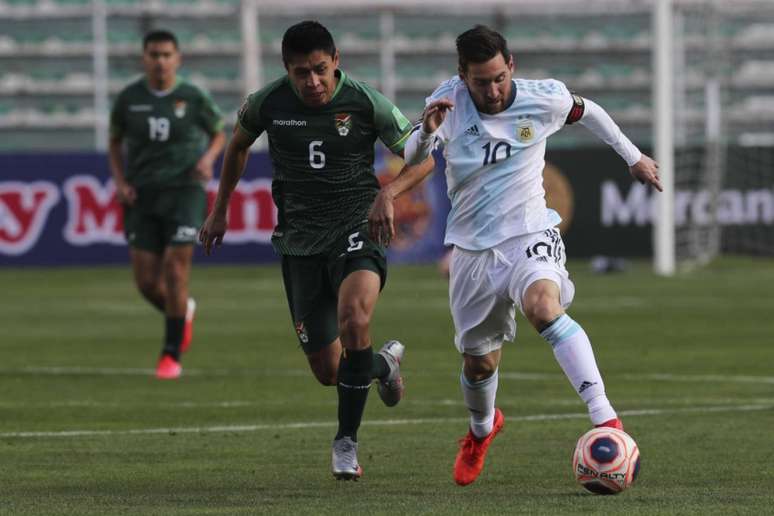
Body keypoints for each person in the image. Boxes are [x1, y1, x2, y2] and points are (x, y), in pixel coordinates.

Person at [399, 25, 663, 486]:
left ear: (511, 65)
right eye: (481, 81)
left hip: (529, 230)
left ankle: (606, 419)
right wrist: (426, 132)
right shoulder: (445, 103)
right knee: (479, 362)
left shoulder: (544, 98)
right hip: (471, 250)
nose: (493, 89)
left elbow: (589, 111)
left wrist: (633, 156)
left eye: (500, 77)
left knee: (543, 305)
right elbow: (411, 154)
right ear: (463, 77)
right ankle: (481, 432)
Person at [198, 21, 434, 480]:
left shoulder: (366, 101)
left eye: (321, 70)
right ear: (286, 70)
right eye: (301, 73)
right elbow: (238, 146)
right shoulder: (266, 103)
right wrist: (220, 208)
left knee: (354, 319)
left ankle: (346, 442)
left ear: (336, 61)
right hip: (300, 241)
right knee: (329, 370)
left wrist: (388, 195)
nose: (313, 82)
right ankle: (382, 364)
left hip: (356, 226)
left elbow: (423, 158)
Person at [108, 30, 226, 380]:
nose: (160, 61)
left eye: (166, 54)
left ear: (178, 58)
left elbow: (220, 132)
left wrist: (208, 159)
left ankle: (170, 354)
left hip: (184, 190)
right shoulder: (129, 98)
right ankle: (182, 311)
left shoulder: (192, 96)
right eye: (154, 54)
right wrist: (120, 181)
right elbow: (114, 142)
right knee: (146, 282)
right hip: (142, 194)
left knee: (176, 269)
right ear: (144, 58)